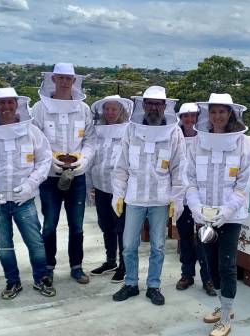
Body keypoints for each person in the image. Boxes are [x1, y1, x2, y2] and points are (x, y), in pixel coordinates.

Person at [0, 87, 55, 300]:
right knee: (4, 245)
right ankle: (12, 281)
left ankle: (41, 278)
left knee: (35, 243)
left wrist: (30, 185)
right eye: (2, 103)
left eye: (10, 102)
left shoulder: (32, 131)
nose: (6, 107)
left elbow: (45, 159)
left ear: (17, 104)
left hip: (23, 200)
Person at [111, 86, 187, 306]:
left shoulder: (174, 132)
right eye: (150, 103)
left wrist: (177, 198)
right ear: (143, 105)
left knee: (159, 246)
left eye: (158, 104)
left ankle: (154, 285)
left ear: (165, 106)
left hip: (160, 199)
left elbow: (179, 169)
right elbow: (121, 165)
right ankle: (131, 283)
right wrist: (118, 193)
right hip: (134, 197)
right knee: (128, 245)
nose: (154, 107)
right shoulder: (130, 130)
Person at [186, 93, 250, 336]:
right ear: (208, 114)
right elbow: (190, 179)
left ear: (230, 114)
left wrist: (226, 211)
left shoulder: (243, 143)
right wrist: (196, 208)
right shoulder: (197, 142)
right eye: (213, 112)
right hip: (203, 217)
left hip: (231, 218)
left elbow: (244, 183)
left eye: (222, 112)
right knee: (209, 263)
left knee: (226, 266)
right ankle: (222, 304)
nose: (217, 116)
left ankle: (225, 318)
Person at [31, 63, 95, 285]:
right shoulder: (39, 108)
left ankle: (76, 267)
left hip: (76, 176)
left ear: (74, 81)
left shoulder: (83, 109)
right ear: (54, 79)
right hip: (50, 176)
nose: (65, 82)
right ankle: (48, 266)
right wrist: (52, 160)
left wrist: (83, 160)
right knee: (49, 224)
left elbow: (90, 140)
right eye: (61, 78)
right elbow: (35, 139)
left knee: (77, 225)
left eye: (69, 78)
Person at [87, 95, 132, 283]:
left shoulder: (129, 130)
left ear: (121, 111)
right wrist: (90, 185)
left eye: (114, 109)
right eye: (107, 109)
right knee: (106, 226)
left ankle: (124, 265)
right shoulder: (97, 131)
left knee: (121, 228)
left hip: (120, 190)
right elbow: (91, 160)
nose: (110, 113)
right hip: (101, 187)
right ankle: (110, 261)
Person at [174, 102, 215, 296]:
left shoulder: (206, 139)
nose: (189, 120)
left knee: (204, 238)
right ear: (180, 119)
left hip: (201, 196)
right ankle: (187, 274)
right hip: (181, 196)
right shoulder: (173, 137)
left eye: (193, 116)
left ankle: (208, 278)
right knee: (185, 238)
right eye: (185, 116)